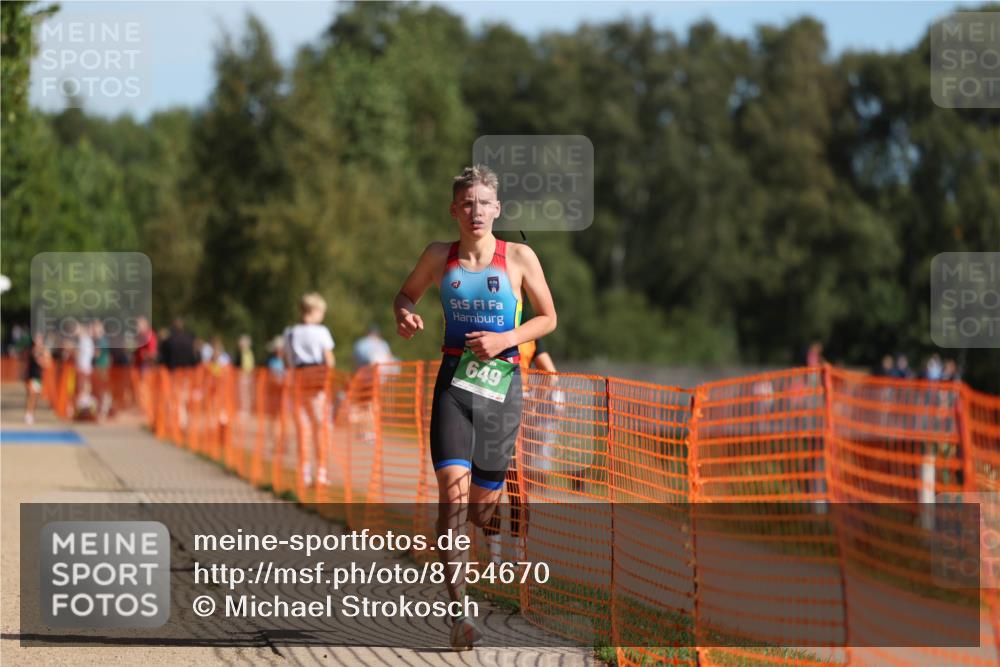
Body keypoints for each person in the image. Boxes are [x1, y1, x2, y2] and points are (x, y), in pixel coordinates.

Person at [393, 164, 557, 650]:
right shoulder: (438, 256)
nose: (476, 211)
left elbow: (548, 317)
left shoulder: (520, 257)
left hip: (503, 388)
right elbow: (405, 294)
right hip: (453, 385)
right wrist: (404, 312)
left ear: (497, 209)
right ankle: (459, 610)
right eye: (467, 203)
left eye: (484, 203)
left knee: (481, 512)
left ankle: (484, 534)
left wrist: (507, 337)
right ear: (454, 210)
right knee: (452, 499)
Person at [482, 335, 562, 566]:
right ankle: (519, 557)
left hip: (491, 404)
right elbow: (550, 373)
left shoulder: (490, 326)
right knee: (519, 486)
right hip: (521, 406)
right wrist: (536, 404)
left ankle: (496, 559)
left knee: (491, 482)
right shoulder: (530, 335)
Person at [283, 292, 336, 488]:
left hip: (297, 381)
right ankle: (321, 472)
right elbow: (329, 359)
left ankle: (303, 472)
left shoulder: (289, 332)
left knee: (302, 429)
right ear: (314, 311)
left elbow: (287, 360)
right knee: (321, 428)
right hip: (317, 383)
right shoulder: (321, 332)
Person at [23, 333, 51, 424]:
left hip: (38, 376)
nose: (39, 340)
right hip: (32, 376)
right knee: (31, 395)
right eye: (38, 339)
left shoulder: (41, 350)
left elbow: (47, 363)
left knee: (35, 396)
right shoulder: (34, 350)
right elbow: (41, 362)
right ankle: (28, 414)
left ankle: (31, 414)